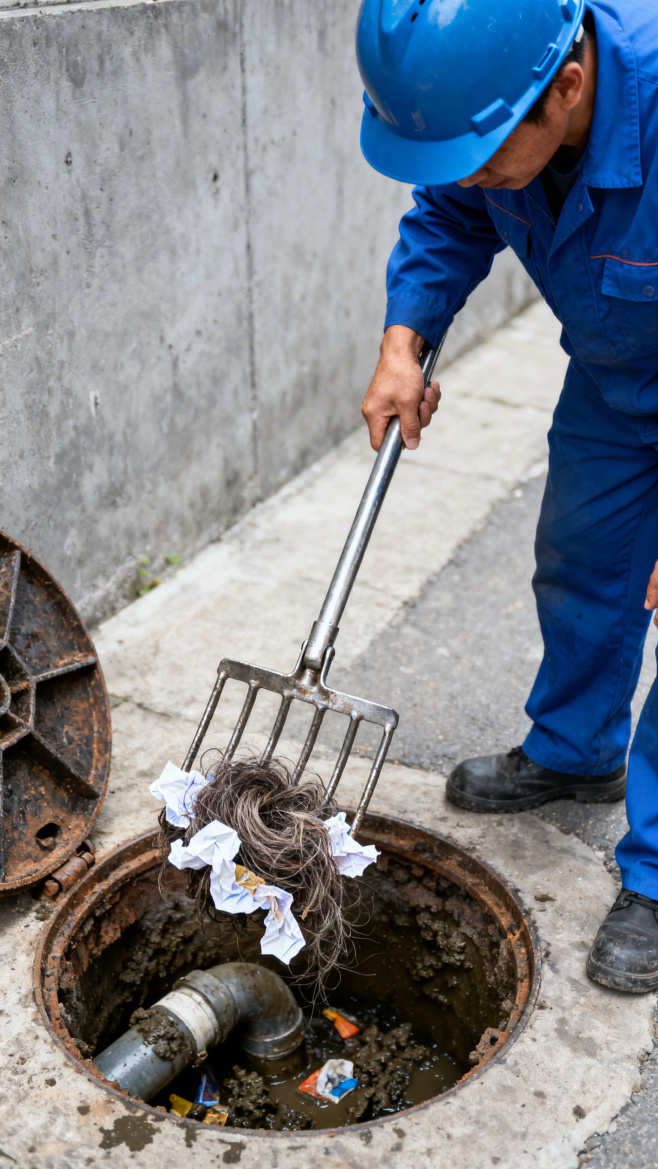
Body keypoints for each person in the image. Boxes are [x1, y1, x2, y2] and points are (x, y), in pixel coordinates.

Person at [356, 0, 658, 993]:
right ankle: (576, 751)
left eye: (484, 154)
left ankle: (656, 870)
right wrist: (406, 339)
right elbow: (447, 212)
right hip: (621, 377)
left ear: (567, 88)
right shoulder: (502, 115)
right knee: (580, 553)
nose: (472, 174)